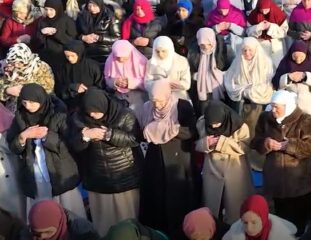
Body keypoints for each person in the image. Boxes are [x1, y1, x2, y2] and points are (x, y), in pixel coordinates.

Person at [67, 89, 142, 236]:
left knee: (127, 218)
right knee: (104, 221)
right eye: (89, 112)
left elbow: (134, 139)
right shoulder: (78, 118)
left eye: (95, 111)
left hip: (123, 174)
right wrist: (85, 136)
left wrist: (109, 134)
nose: (92, 115)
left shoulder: (125, 114)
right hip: (97, 177)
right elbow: (74, 146)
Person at [7, 83, 87, 219]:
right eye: (24, 102)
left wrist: (46, 137)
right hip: (35, 176)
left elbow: (71, 142)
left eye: (32, 102)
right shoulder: (20, 118)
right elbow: (13, 147)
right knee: (43, 216)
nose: (28, 106)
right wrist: (23, 136)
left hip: (59, 172)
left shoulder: (58, 114)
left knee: (69, 214)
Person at [251, 90, 311, 229]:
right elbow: (255, 142)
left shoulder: (305, 120)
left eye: (277, 107)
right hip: (274, 182)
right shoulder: (265, 119)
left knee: (298, 224)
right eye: (272, 106)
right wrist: (266, 143)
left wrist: (290, 145)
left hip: (299, 184)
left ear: (287, 106)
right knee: (279, 225)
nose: (273, 110)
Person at [137, 80, 197, 237]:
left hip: (178, 159)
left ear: (168, 95)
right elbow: (141, 133)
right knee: (157, 195)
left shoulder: (182, 106)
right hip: (155, 158)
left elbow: (191, 132)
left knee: (177, 197)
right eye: (154, 101)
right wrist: (154, 130)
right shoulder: (147, 108)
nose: (157, 105)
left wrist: (169, 130)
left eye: (160, 101)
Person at [195, 101, 253, 225]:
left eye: (218, 123)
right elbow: (196, 144)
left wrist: (223, 143)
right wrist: (206, 143)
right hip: (212, 170)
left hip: (235, 170)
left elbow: (246, 147)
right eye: (212, 124)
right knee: (212, 207)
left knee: (235, 208)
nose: (214, 126)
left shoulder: (239, 125)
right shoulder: (202, 123)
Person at [224, 37, 274, 170]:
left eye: (250, 50)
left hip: (258, 105)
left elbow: (266, 85)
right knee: (242, 134)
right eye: (244, 50)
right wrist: (242, 90)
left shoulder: (265, 63)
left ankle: (257, 163)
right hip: (241, 105)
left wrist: (250, 90)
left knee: (257, 133)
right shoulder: (237, 62)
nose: (247, 53)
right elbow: (230, 81)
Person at [222, 195, 297, 240]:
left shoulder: (283, 236)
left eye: (254, 222)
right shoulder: (232, 235)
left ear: (263, 219)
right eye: (245, 222)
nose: (249, 228)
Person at [143, 36, 192, 102]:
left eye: (163, 51)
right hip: (158, 99)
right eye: (157, 51)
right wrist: (159, 85)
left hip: (178, 98)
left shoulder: (182, 61)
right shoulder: (151, 63)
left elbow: (186, 84)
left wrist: (170, 85)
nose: (160, 54)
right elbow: (147, 83)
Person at [24, 199, 100, 240]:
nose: (43, 236)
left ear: (59, 225)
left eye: (48, 232)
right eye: (37, 233)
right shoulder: (27, 233)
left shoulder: (82, 231)